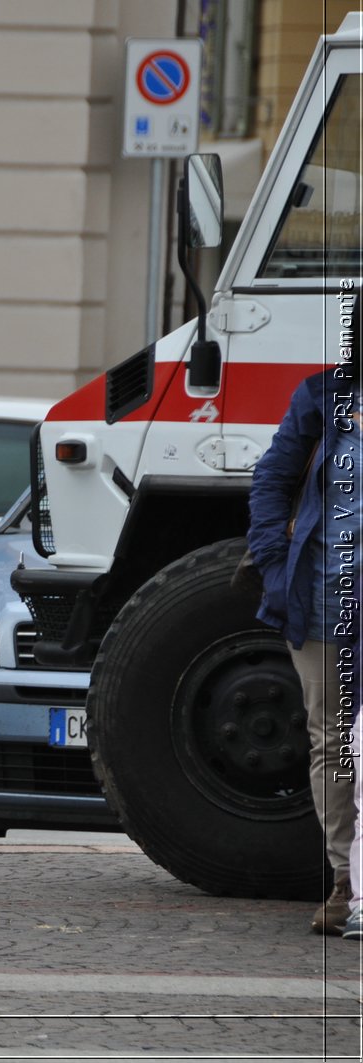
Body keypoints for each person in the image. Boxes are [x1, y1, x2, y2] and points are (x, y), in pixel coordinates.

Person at [246, 362, 360, 936]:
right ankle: (348, 881)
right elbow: (271, 481)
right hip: (323, 599)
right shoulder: (325, 394)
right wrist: (272, 563)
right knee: (335, 740)